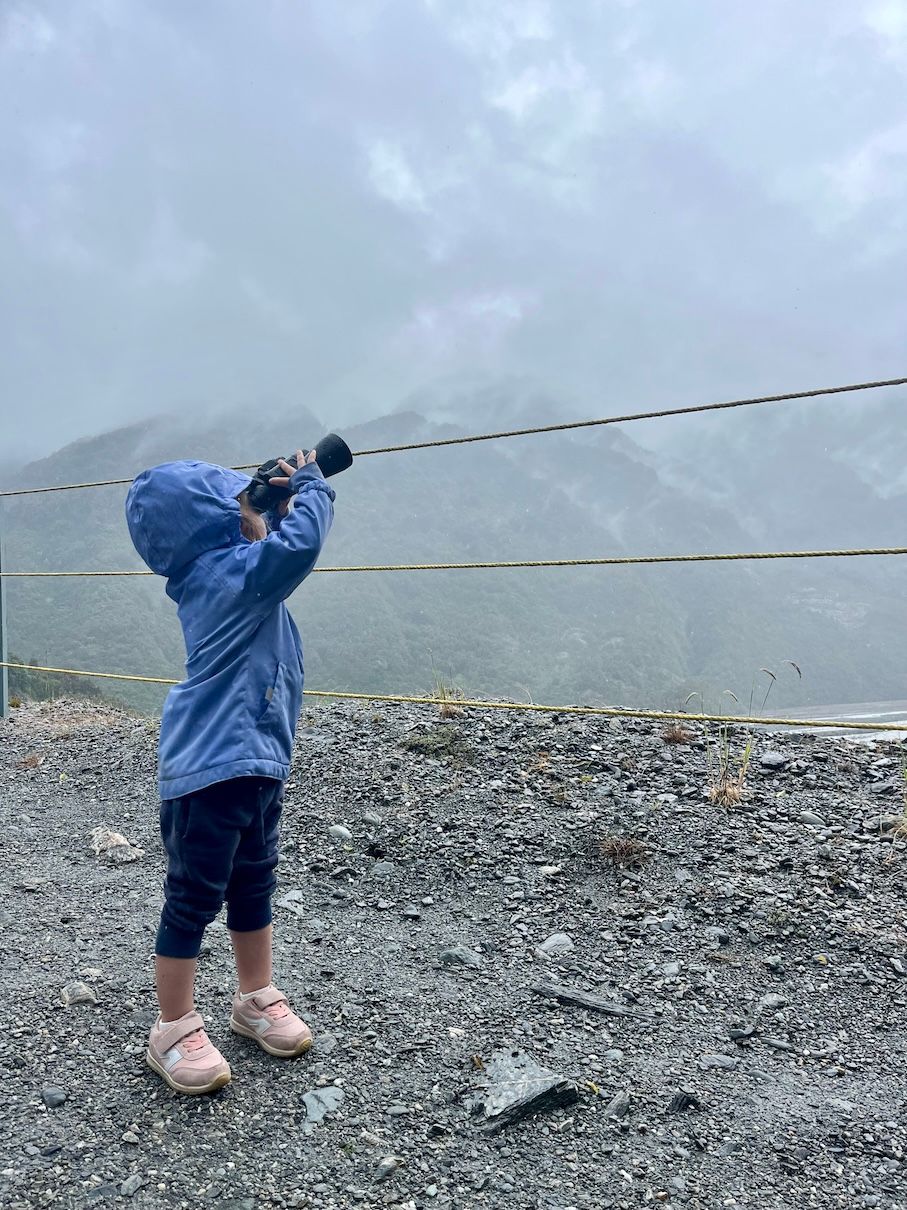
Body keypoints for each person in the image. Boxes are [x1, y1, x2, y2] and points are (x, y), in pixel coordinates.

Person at [125, 448, 335, 1094]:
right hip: (208, 773)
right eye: (238, 505)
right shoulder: (233, 577)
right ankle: (172, 1027)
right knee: (192, 899)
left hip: (254, 762)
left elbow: (261, 543)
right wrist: (309, 487)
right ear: (216, 528)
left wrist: (261, 505)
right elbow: (292, 550)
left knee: (253, 883)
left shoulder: (221, 569)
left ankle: (254, 997)